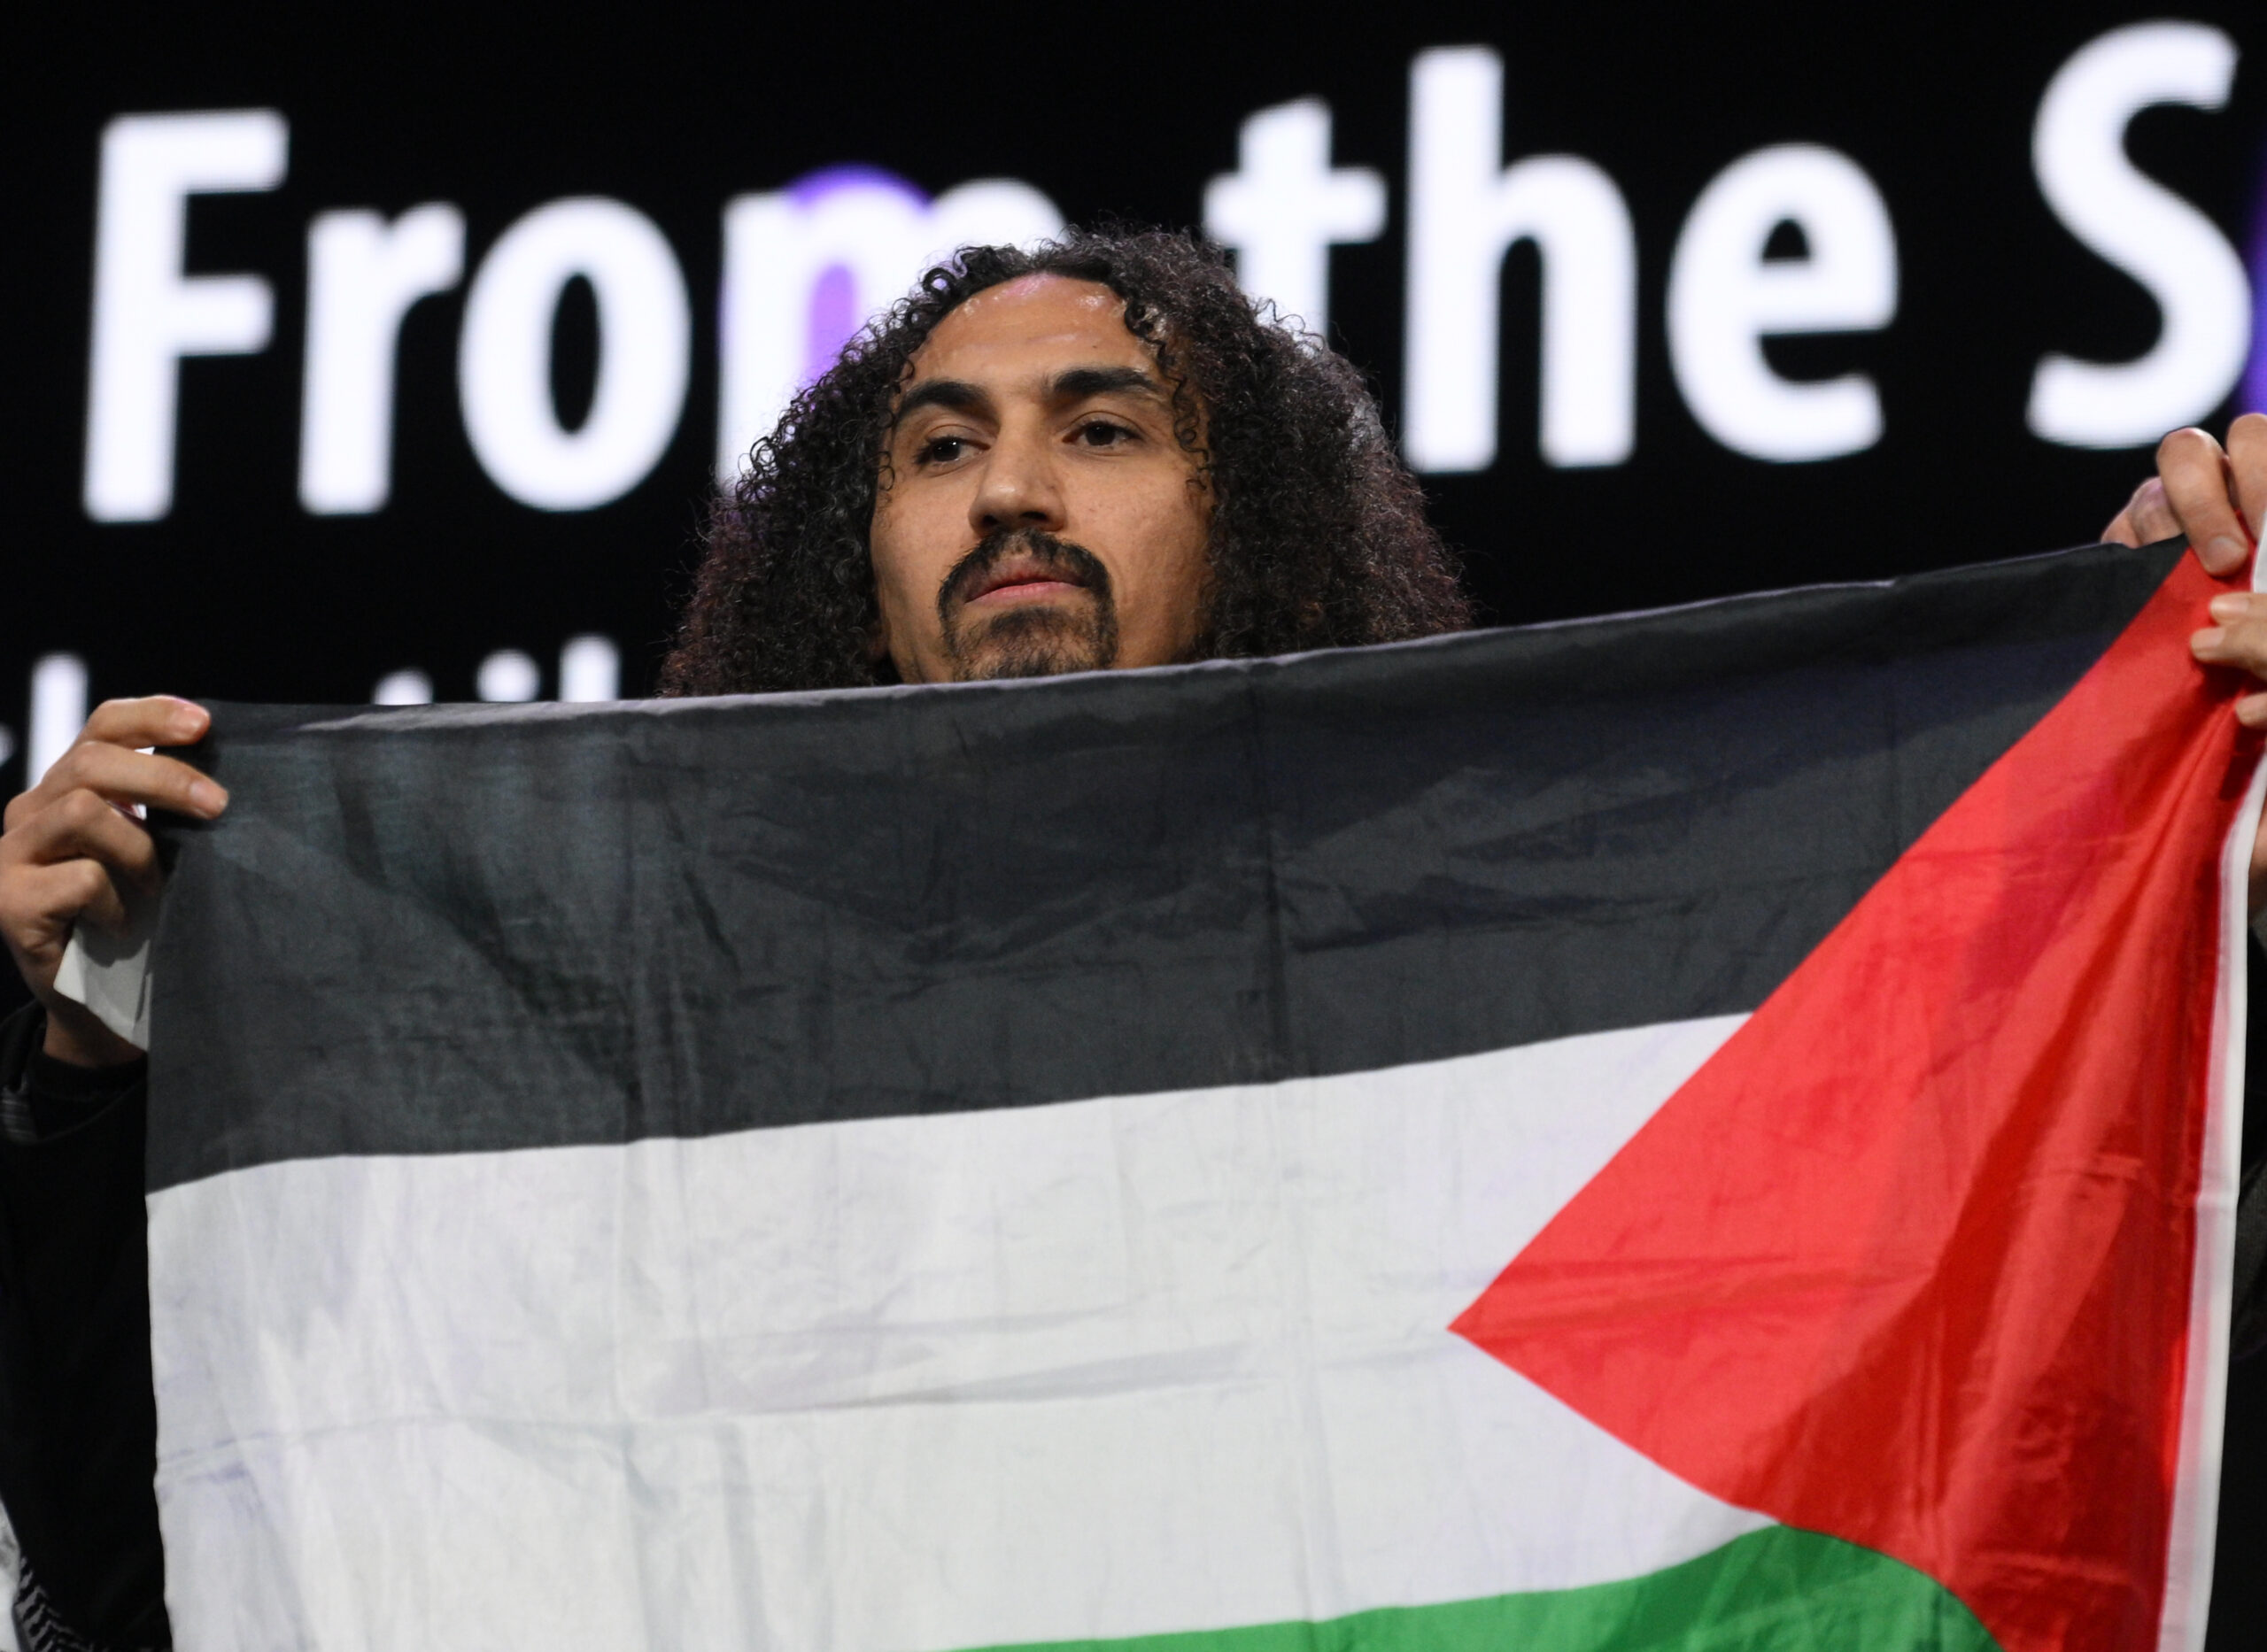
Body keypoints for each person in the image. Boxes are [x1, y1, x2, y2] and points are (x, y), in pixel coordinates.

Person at [0, 225, 2258, 1648]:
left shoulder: (1494, 985)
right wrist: (97, 1072)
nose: (1010, 491)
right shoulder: (626, 1058)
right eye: (937, 449)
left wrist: (2139, 736)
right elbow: (188, 1560)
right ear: (852, 564)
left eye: (1101, 428)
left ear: (1245, 522)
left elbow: (1986, 1270)